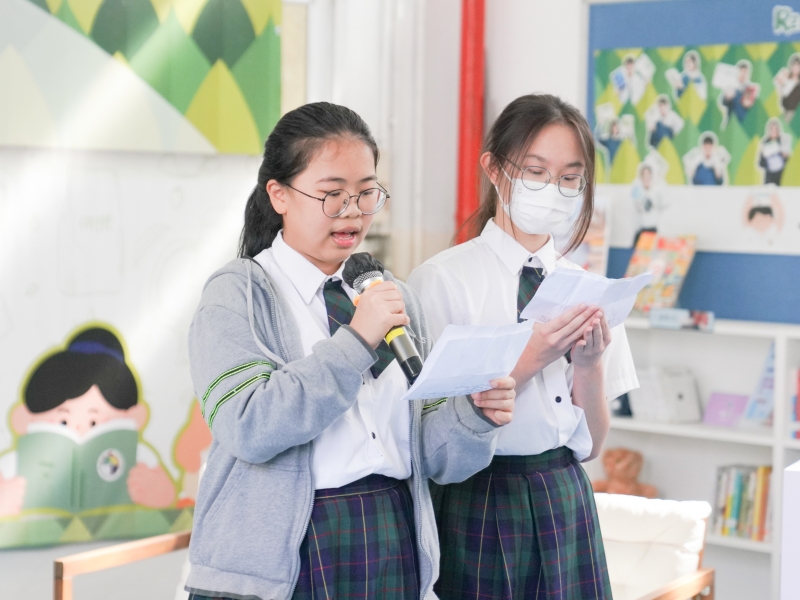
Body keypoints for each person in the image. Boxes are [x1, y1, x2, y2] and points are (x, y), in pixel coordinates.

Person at [183, 102, 517, 600]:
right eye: (332, 194)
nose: (353, 211)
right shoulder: (238, 293)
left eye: (366, 193)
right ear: (278, 194)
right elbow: (248, 426)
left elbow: (430, 455)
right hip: (288, 553)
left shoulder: (393, 296)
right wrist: (357, 341)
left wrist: (473, 415)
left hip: (390, 532)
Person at [408, 94, 638, 600]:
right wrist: (530, 357)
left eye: (570, 178)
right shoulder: (442, 280)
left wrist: (590, 365)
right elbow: (425, 438)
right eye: (535, 172)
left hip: (564, 490)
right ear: (494, 169)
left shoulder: (589, 289)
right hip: (478, 495)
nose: (553, 190)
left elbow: (593, 445)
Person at [0, 326, 176, 516]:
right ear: (24, 419)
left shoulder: (136, 454)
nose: (78, 430)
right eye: (63, 421)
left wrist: (155, 491)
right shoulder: (19, 458)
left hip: (116, 531)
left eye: (94, 422)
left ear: (133, 417)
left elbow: (168, 495)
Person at [631, 161, 667, 245]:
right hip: (641, 229)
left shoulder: (656, 192)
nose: (646, 177)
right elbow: (637, 208)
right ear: (641, 176)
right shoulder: (637, 191)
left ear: (651, 176)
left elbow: (662, 208)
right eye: (644, 174)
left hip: (653, 228)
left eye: (648, 174)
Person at [721, 60, 759, 124]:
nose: (743, 74)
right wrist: (727, 98)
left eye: (746, 72)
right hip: (732, 123)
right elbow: (723, 102)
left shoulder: (751, 89)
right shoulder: (731, 86)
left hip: (746, 123)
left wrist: (752, 103)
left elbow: (755, 110)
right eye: (741, 71)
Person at [759, 118, 793, 186]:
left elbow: (789, 162)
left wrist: (785, 156)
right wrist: (763, 154)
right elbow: (761, 164)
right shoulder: (765, 143)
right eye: (772, 129)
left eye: (776, 129)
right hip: (769, 176)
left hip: (781, 175)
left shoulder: (782, 142)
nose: (774, 131)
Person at [774, 54, 800, 123]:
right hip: (781, 108)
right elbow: (780, 92)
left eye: (798, 65)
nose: (795, 68)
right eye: (794, 65)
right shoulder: (786, 78)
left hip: (792, 112)